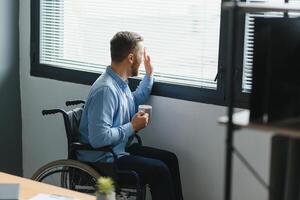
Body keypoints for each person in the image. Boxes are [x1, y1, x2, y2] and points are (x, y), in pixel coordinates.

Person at [78, 31, 183, 200]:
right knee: (159, 170)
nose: (143, 59)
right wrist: (132, 126)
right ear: (131, 58)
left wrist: (149, 75)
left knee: (170, 159)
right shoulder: (105, 90)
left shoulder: (119, 82)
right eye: (142, 54)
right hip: (103, 160)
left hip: (118, 150)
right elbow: (98, 139)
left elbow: (133, 100)